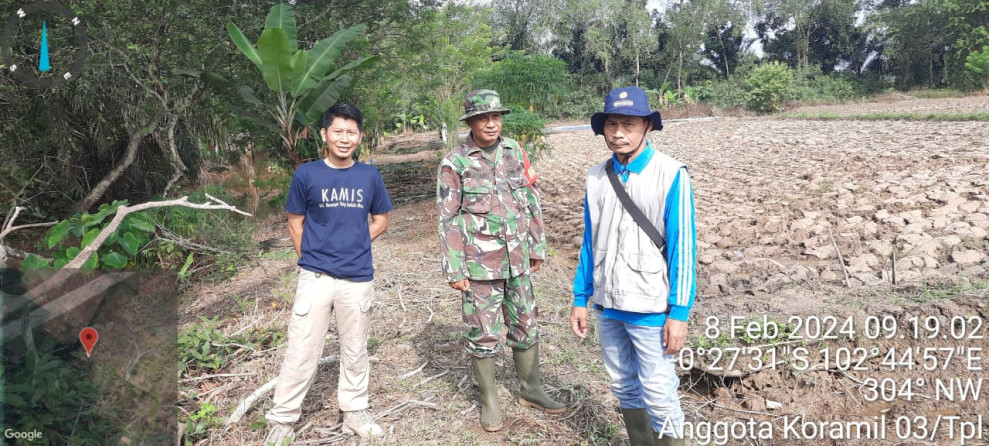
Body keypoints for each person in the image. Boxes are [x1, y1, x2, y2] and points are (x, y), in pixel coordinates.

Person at [568, 86, 696, 446]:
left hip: (651, 306)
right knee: (623, 383)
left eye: (628, 123)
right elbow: (590, 242)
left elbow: (683, 248)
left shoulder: (670, 174)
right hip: (608, 305)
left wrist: (679, 311)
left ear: (647, 127)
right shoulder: (596, 177)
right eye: (611, 123)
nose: (618, 132)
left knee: (658, 390)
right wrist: (582, 298)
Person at [264, 102, 394, 445]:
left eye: (351, 132)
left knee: (355, 347)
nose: (344, 138)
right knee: (301, 349)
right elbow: (295, 223)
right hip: (316, 277)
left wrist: (355, 241)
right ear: (324, 134)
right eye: (337, 131)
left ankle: (355, 412)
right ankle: (282, 420)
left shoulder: (370, 176)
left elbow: (381, 220)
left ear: (360, 136)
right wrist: (310, 258)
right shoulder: (306, 174)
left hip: (357, 276)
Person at [436, 89, 565, 432]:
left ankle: (531, 390)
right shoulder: (456, 161)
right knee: (483, 332)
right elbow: (448, 218)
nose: (491, 124)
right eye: (483, 118)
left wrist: (538, 245)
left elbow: (531, 197)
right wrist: (454, 267)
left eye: (495, 117)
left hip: (518, 258)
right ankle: (490, 400)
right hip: (480, 263)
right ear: (471, 122)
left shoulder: (515, 151)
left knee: (526, 322)